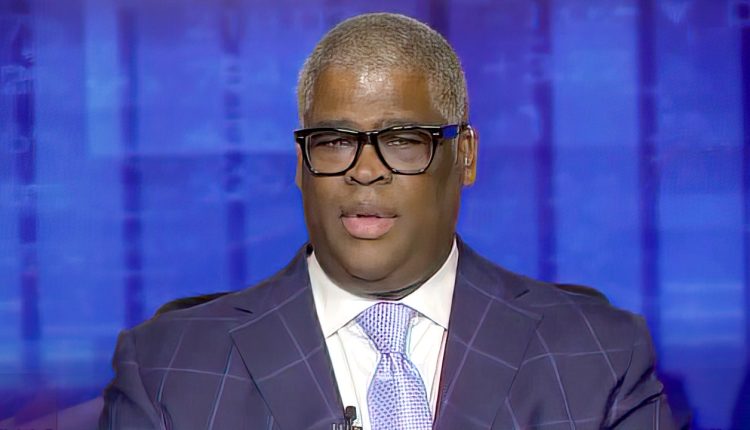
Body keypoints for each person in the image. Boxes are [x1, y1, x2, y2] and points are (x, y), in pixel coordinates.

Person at [99, 13, 676, 430]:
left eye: (403, 140)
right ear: (300, 164)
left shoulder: (600, 356)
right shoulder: (166, 368)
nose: (365, 170)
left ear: (465, 157)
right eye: (334, 141)